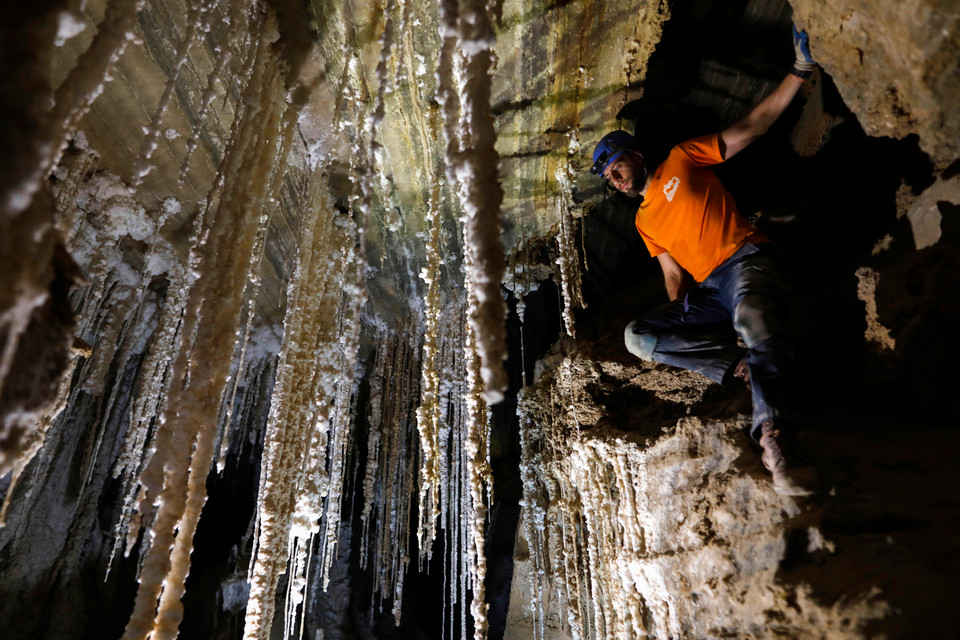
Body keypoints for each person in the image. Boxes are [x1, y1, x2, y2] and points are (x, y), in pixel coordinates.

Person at [591, 26, 819, 496]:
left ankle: (776, 438)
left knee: (753, 313)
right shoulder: (644, 222)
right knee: (638, 335)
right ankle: (738, 364)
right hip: (711, 291)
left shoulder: (681, 159)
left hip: (747, 261)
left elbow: (752, 127)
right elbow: (673, 277)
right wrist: (691, 324)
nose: (614, 178)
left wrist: (798, 73)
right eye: (608, 177)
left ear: (635, 155)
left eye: (616, 166)